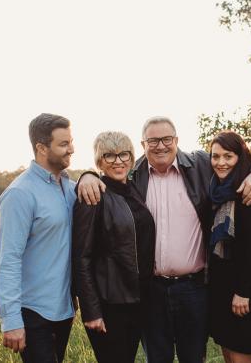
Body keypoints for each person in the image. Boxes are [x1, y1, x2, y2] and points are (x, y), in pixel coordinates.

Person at [77, 116, 251, 363]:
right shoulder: (134, 175)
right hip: (151, 290)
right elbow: (110, 175)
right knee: (157, 358)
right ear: (143, 144)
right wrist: (87, 175)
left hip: (195, 288)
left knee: (193, 357)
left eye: (166, 139)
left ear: (176, 140)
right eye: (153, 141)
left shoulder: (200, 165)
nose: (160, 146)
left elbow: (235, 160)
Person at [0, 113, 76, 362]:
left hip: (64, 309)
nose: (71, 149)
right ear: (41, 148)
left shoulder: (70, 187)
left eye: (71, 142)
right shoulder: (20, 194)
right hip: (33, 312)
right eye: (63, 144)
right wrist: (11, 320)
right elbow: (8, 260)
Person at [72, 131, 155, 363]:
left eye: (124, 154)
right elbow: (82, 257)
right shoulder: (93, 195)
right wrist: (92, 310)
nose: (118, 161)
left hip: (137, 300)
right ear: (99, 160)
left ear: (132, 157)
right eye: (109, 155)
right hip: (110, 305)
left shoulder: (134, 189)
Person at [207, 131, 251, 363]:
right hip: (220, 282)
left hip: (245, 285)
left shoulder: (250, 192)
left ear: (240, 158)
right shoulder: (214, 190)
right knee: (227, 348)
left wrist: (243, 292)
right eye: (215, 156)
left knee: (241, 350)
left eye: (228, 156)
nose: (221, 162)